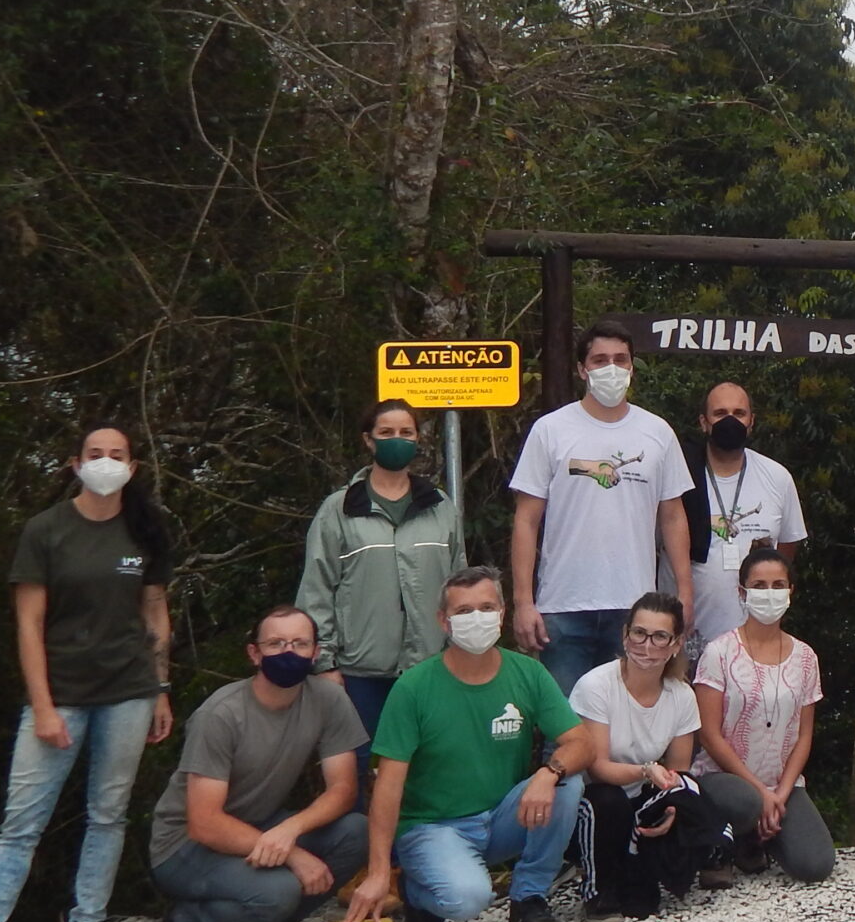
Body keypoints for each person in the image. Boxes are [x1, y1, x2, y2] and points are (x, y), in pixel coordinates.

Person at [0, 423, 177, 922]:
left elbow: (155, 617)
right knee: (21, 824)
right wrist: (44, 706)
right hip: (60, 697)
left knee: (108, 815)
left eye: (116, 454)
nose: (105, 462)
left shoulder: (145, 530)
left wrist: (161, 688)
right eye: (95, 454)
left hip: (128, 691)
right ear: (76, 464)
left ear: (134, 466)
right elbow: (28, 624)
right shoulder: (45, 531)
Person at [343, 566, 590, 922]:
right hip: (434, 826)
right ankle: (416, 893)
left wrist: (547, 773)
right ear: (443, 620)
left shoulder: (528, 673)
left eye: (487, 607)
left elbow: (581, 742)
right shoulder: (414, 688)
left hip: (502, 815)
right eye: (463, 611)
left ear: (503, 613)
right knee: (467, 899)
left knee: (567, 783)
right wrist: (378, 872)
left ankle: (529, 902)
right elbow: (387, 786)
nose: (477, 619)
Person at [148, 606, 369, 922]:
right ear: (254, 653)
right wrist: (294, 854)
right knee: (279, 892)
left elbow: (343, 790)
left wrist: (290, 830)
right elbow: (203, 823)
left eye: (300, 644)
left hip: (264, 826)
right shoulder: (221, 714)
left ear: (316, 652)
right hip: (185, 846)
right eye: (276, 643)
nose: (288, 652)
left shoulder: (329, 699)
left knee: (356, 832)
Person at [509, 319, 696, 691]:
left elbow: (673, 517)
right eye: (599, 360)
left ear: (632, 367)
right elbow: (527, 521)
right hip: (562, 607)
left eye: (620, 359)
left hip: (636, 611)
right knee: (566, 731)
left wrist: (685, 593)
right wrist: (522, 601)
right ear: (582, 369)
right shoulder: (550, 430)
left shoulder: (658, 433)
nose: (611, 368)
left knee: (628, 729)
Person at [296, 397, 464, 809]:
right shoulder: (338, 510)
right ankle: (360, 866)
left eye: (406, 432)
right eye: (386, 433)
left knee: (425, 774)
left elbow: (460, 583)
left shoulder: (440, 506)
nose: (397, 440)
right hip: (358, 674)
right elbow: (317, 589)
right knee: (354, 778)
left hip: (427, 670)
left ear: (418, 439)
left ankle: (414, 866)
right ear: (368, 441)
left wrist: (459, 652)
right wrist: (326, 664)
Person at [569, 593, 735, 922]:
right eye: (639, 633)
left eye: (660, 637)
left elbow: (679, 769)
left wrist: (673, 806)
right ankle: (596, 890)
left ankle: (706, 854)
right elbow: (598, 767)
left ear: (675, 644)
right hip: (595, 800)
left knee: (642, 903)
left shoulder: (682, 695)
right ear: (625, 635)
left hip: (645, 796)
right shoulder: (596, 686)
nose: (647, 645)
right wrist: (646, 771)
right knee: (608, 800)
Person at [692, 546, 838, 883]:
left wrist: (781, 793)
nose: (768, 594)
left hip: (782, 782)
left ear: (790, 592)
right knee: (745, 802)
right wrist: (760, 792)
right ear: (741, 592)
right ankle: (729, 841)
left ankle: (760, 838)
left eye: (777, 585)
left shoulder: (805, 657)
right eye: (758, 586)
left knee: (815, 865)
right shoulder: (719, 653)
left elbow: (804, 735)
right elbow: (710, 735)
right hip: (727, 780)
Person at [687, 380, 808, 648]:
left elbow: (787, 546)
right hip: (689, 636)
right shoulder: (681, 476)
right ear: (703, 422)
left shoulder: (777, 478)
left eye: (738, 414)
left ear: (751, 422)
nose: (730, 421)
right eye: (720, 414)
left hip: (754, 639)